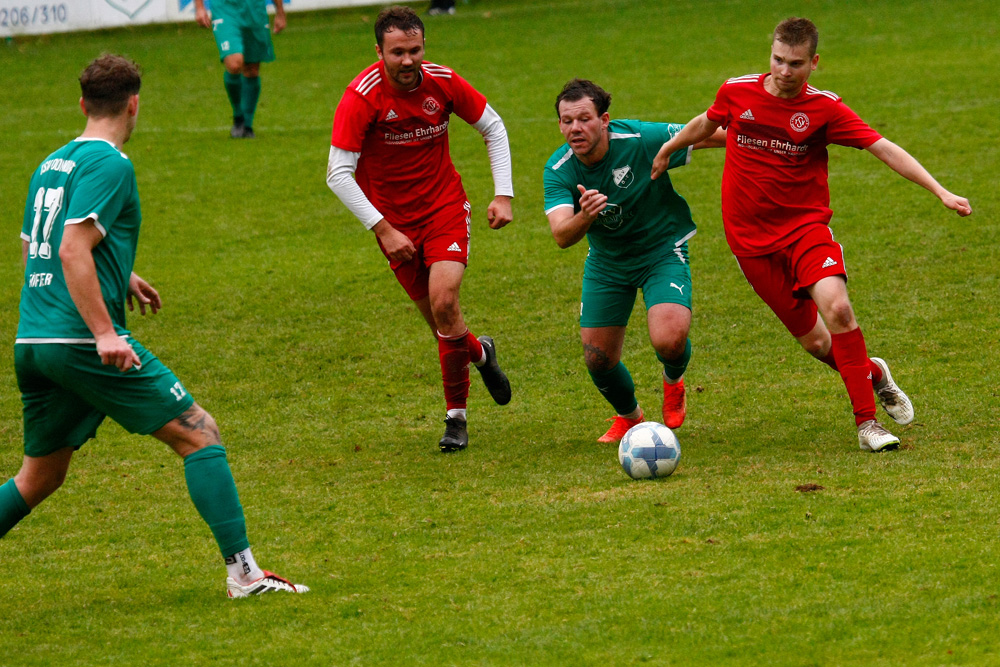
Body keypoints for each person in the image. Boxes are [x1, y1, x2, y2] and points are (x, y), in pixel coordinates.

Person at [0, 55, 307, 598]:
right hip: (78, 341)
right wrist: (103, 332)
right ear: (135, 103)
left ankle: (246, 574)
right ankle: (246, 576)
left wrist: (122, 275)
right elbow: (71, 249)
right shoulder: (112, 164)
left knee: (39, 478)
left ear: (82, 104)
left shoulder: (50, 163)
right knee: (198, 432)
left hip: (33, 338)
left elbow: (37, 249)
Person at [651, 17, 972, 452]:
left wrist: (939, 190)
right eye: (778, 60)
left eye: (796, 64)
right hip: (750, 244)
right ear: (770, 55)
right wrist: (669, 149)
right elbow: (707, 123)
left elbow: (882, 147)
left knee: (838, 310)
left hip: (805, 230)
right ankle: (873, 374)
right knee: (819, 344)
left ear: (814, 62)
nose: (784, 71)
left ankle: (867, 425)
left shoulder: (825, 109)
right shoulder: (737, 91)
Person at [326, 6, 514, 452]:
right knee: (444, 327)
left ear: (423, 47)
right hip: (394, 225)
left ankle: (456, 419)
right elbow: (338, 172)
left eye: (414, 50)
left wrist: (502, 193)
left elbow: (493, 126)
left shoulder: (443, 82)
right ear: (379, 52)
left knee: (445, 301)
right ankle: (482, 353)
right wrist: (384, 229)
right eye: (397, 52)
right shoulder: (362, 96)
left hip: (443, 206)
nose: (407, 61)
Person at [543, 79, 725, 443]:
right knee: (597, 358)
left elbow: (703, 134)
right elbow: (562, 235)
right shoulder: (559, 169)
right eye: (567, 121)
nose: (575, 128)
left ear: (605, 119)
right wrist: (586, 216)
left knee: (669, 340)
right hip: (608, 264)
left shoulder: (639, 139)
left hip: (661, 249)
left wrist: (760, 138)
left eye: (584, 119)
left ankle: (673, 381)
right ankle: (630, 418)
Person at [194, 0, 286, 138]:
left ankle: (246, 126)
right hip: (225, 8)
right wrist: (200, 8)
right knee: (234, 64)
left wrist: (280, 11)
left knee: (252, 69)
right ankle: (238, 117)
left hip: (254, 10)